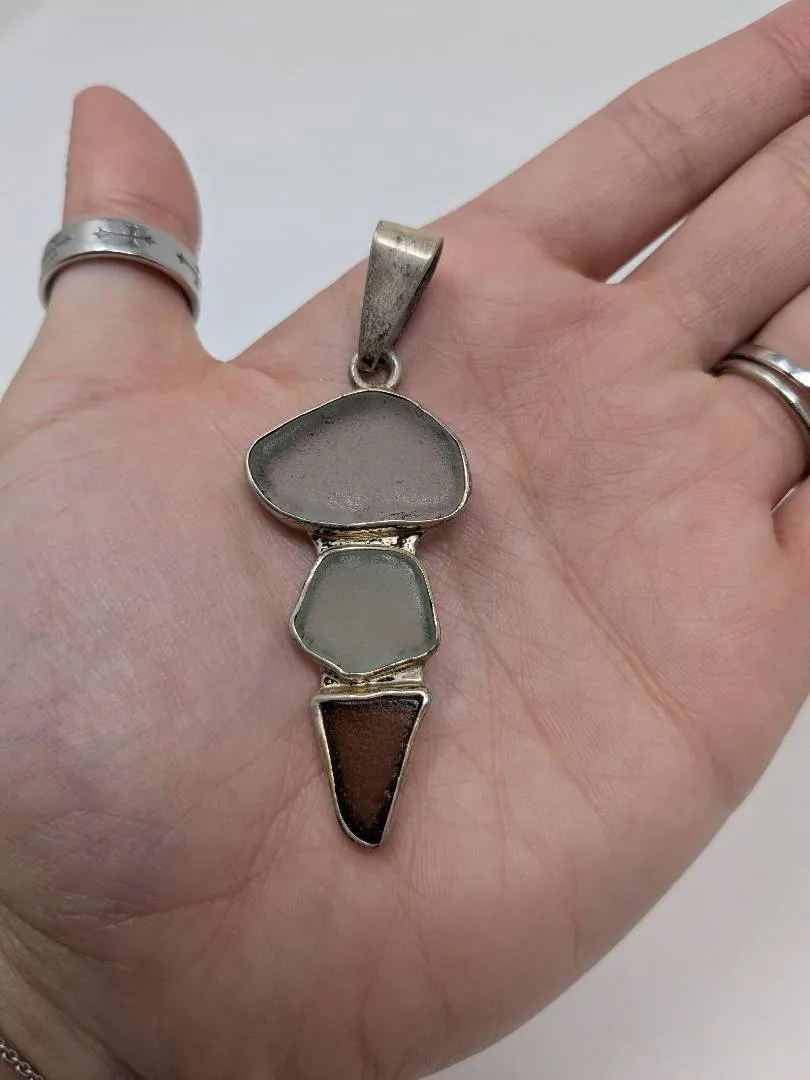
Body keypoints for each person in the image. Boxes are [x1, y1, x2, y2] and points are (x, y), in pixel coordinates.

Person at [3, 3, 810, 1077]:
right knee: (364, 653)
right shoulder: (357, 506)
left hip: (371, 627)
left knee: (370, 654)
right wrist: (34, 978)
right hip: (360, 628)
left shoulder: (369, 506)